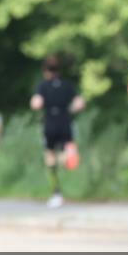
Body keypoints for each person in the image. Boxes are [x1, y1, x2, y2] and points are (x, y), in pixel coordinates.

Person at [30, 56, 85, 208]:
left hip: (50, 122)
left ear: (45, 71)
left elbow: (36, 103)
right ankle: (66, 161)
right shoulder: (67, 85)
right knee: (66, 149)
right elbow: (80, 103)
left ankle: (56, 189)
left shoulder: (43, 86)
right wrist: (70, 109)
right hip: (65, 120)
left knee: (49, 154)